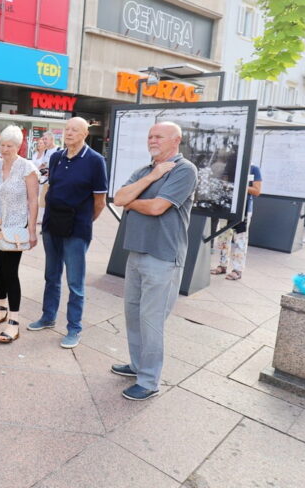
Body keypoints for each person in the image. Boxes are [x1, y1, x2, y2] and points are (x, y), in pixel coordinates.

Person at [112, 122, 198, 401]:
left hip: (163, 255)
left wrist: (132, 200)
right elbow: (119, 197)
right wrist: (150, 179)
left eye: (159, 136)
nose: (153, 140)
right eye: (150, 135)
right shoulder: (145, 170)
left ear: (176, 140)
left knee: (151, 320)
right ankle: (137, 365)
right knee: (133, 314)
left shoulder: (185, 169)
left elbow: (157, 207)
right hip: (137, 252)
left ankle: (149, 381)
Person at [28, 117, 107, 349]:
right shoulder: (56, 157)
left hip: (77, 228)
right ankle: (48, 316)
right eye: (67, 129)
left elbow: (99, 201)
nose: (69, 133)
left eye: (75, 130)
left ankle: (74, 328)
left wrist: (84, 221)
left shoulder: (95, 161)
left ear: (85, 134)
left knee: (75, 281)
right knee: (51, 275)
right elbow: (51, 187)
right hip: (52, 224)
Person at [0, 125, 39, 343]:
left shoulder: (27, 168)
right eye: (2, 144)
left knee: (11, 272)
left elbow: (33, 201)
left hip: (14, 229)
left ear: (19, 146)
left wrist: (31, 230)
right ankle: (1, 309)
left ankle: (14, 322)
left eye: (9, 146)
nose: (4, 149)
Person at [211, 164, 263, 280]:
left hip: (243, 209)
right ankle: (222, 265)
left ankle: (238, 269)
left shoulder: (253, 169)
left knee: (240, 239)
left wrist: (237, 186)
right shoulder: (229, 167)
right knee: (223, 238)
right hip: (226, 206)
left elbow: (257, 191)